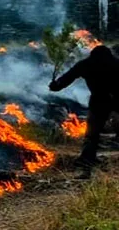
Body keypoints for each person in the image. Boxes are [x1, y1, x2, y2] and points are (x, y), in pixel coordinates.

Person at [49, 44, 119, 178]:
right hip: (113, 97)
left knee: (92, 134)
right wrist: (57, 86)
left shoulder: (86, 64)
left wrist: (56, 86)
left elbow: (67, 78)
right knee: (92, 133)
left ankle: (87, 163)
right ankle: (87, 162)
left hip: (99, 99)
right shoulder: (115, 63)